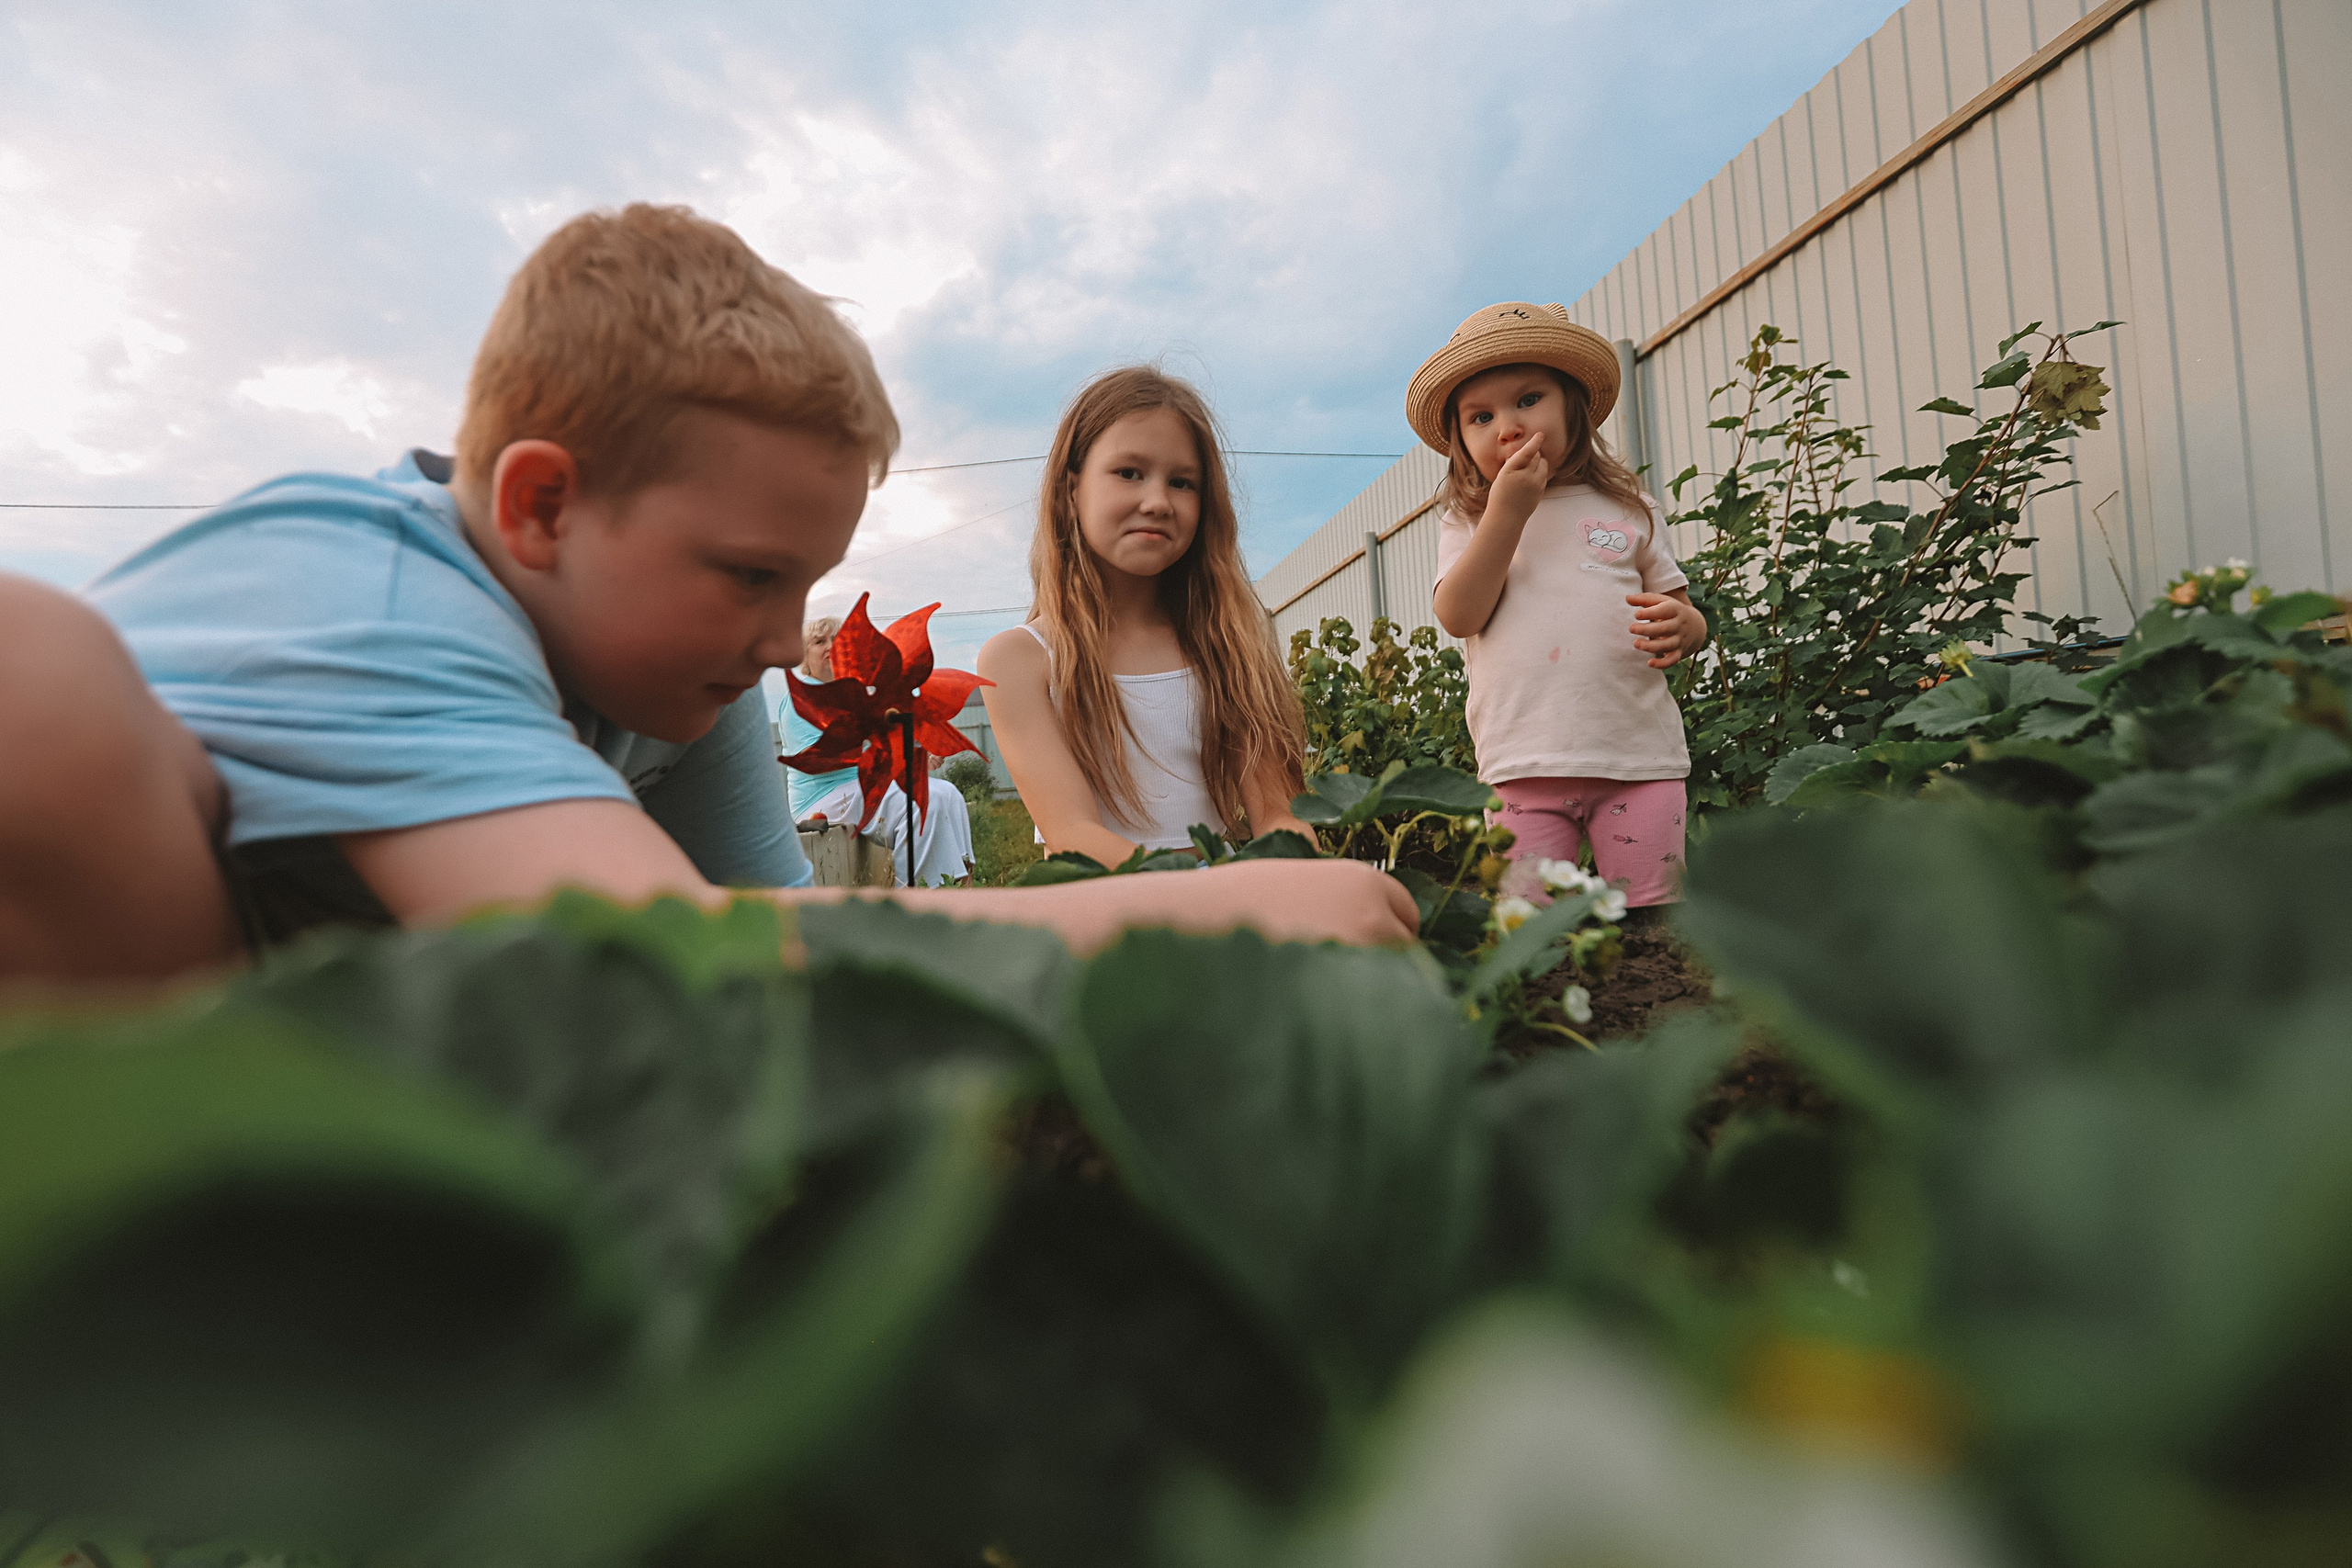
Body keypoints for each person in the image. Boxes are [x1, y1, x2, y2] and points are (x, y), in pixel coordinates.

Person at [0, 205, 1416, 987]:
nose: (781, 635)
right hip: (100, 1032)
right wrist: (1206, 916)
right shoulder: (374, 583)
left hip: (279, 1036)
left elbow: (791, 956)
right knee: (33, 672)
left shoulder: (679, 683)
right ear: (542, 505)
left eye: (800, 582)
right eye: (751, 573)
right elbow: (685, 950)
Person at [1415, 302, 1709, 909]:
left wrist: (1689, 625)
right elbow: (1459, 615)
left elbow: (1678, 608)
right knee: (1534, 938)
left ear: (1573, 405)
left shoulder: (1629, 506)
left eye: (1528, 400)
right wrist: (1507, 511)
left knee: (1656, 927)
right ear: (1460, 442)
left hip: (1637, 758)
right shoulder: (1467, 518)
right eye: (1481, 416)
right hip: (1523, 767)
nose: (1508, 427)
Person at [978, 367, 1317, 863]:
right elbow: (1073, 833)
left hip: (1225, 910)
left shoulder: (1228, 644)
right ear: (1071, 489)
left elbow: (1278, 816)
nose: (1157, 502)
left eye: (1182, 482)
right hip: (1100, 916)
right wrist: (1200, 895)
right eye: (1129, 473)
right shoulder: (1018, 660)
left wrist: (1298, 869)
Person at [784, 615, 974, 887]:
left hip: (855, 789)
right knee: (922, 802)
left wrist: (920, 754)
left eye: (837, 640)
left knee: (950, 795)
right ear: (805, 656)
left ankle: (960, 886)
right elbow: (822, 760)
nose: (829, 646)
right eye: (818, 641)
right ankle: (912, 898)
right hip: (822, 797)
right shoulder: (802, 697)